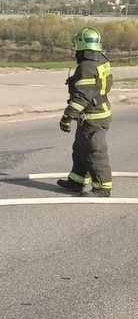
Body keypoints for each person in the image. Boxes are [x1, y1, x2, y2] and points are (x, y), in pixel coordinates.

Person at [56, 27, 113, 197]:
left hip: (93, 117)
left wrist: (67, 117)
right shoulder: (102, 60)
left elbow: (82, 96)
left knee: (94, 152)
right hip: (96, 113)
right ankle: (76, 181)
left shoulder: (86, 67)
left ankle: (102, 188)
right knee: (81, 148)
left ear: (80, 44)